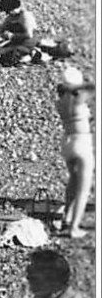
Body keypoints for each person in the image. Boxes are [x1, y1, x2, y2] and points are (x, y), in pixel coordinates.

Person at [55, 66, 93, 238]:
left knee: (73, 181)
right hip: (81, 140)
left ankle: (67, 218)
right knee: (83, 188)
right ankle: (74, 228)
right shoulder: (77, 99)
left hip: (67, 142)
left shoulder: (61, 101)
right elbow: (92, 87)